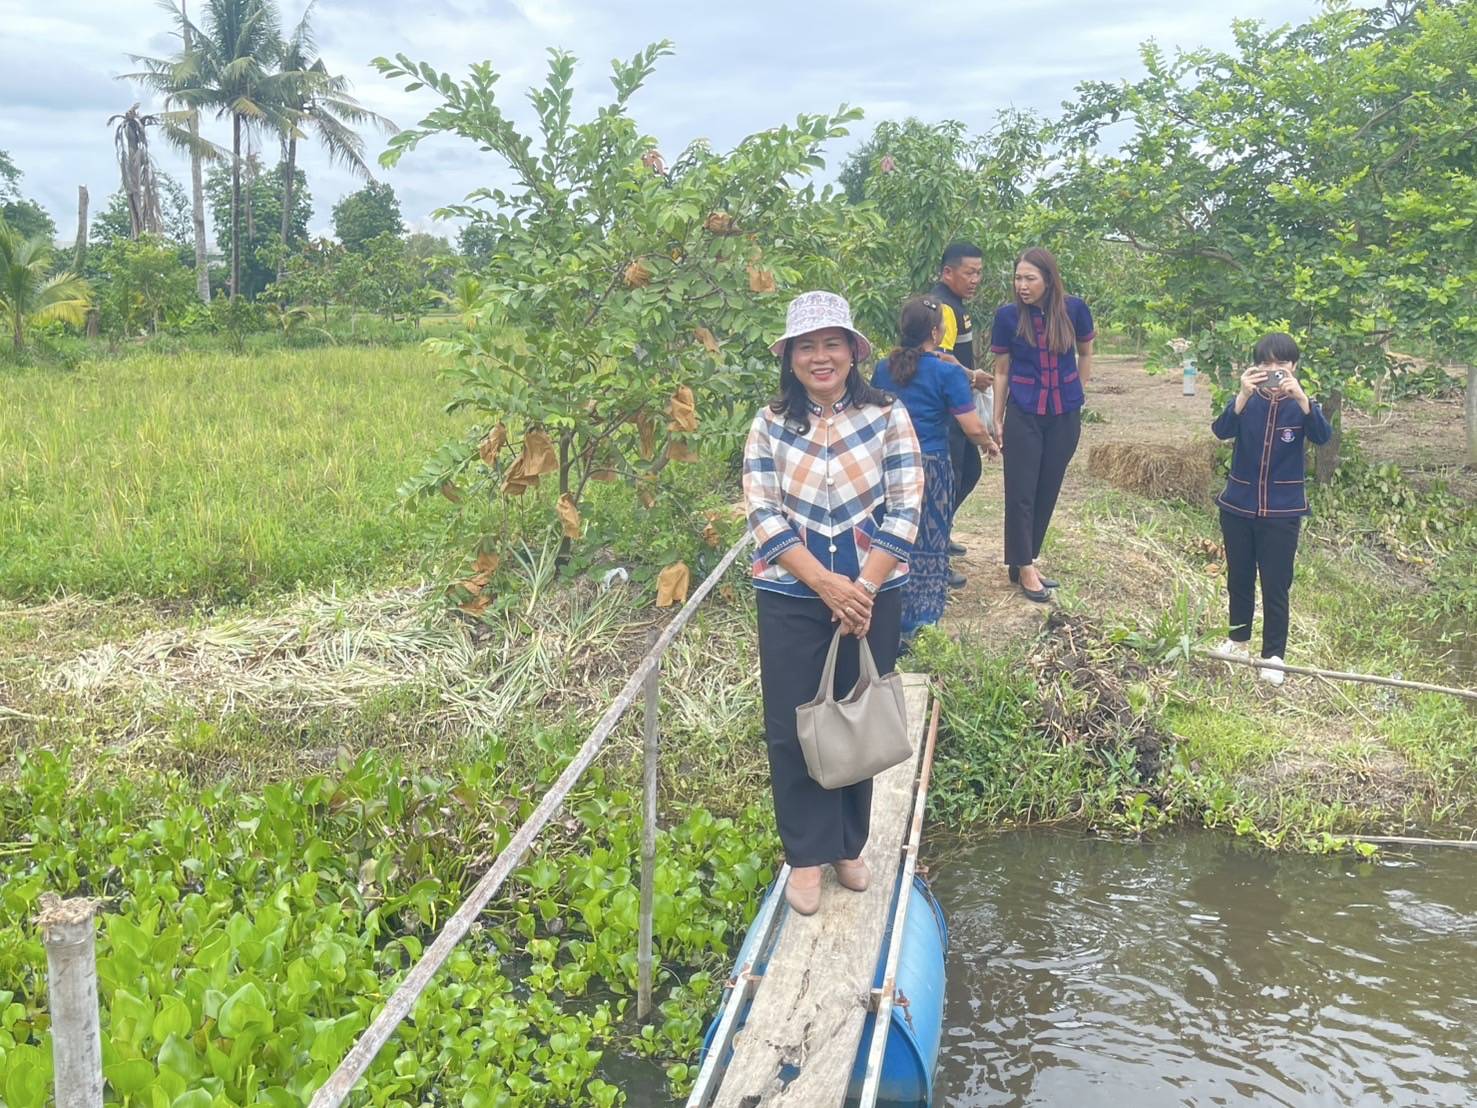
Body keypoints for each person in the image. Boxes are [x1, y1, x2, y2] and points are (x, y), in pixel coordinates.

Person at [743, 290, 924, 916]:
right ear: (791, 358)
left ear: (853, 351)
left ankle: (849, 843)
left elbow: (906, 505)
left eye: (832, 344)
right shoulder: (770, 422)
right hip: (792, 591)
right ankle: (805, 855)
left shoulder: (887, 415)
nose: (821, 357)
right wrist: (824, 583)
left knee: (859, 712)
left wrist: (863, 588)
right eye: (807, 347)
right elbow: (762, 511)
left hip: (874, 591)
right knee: (795, 725)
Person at [873, 297, 1000, 641]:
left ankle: (886, 615)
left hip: (889, 465)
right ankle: (920, 624)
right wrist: (989, 443)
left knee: (891, 535)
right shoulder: (945, 372)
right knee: (930, 540)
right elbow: (971, 426)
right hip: (930, 465)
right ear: (934, 331)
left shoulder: (885, 368)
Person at [1211, 332, 1332, 685]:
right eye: (1265, 364)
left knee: (1277, 585)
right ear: (1255, 368)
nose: (1273, 371)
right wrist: (1242, 395)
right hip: (1238, 505)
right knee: (1239, 578)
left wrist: (1304, 400)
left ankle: (1274, 656)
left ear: (1293, 367)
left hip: (1283, 512)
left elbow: (1323, 437)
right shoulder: (1247, 401)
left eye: (1281, 364)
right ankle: (1238, 641)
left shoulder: (1302, 404)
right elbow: (1221, 431)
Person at [989, 247, 1095, 603]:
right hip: (1025, 411)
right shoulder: (1007, 317)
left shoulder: (1074, 309)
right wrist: (997, 417)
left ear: (1048, 280)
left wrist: (1077, 391)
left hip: (1064, 414)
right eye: (1018, 278)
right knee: (1021, 491)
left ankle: (1024, 560)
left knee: (1048, 487)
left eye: (1029, 278)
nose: (1022, 285)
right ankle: (1025, 565)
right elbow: (1001, 370)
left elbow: (1086, 352)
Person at [932, 242, 991, 588]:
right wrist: (972, 376)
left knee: (968, 471)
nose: (975, 279)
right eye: (969, 272)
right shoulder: (944, 308)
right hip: (946, 409)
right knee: (951, 478)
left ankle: (942, 534)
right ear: (947, 272)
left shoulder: (956, 306)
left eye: (978, 273)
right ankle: (934, 552)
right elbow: (941, 357)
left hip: (957, 405)